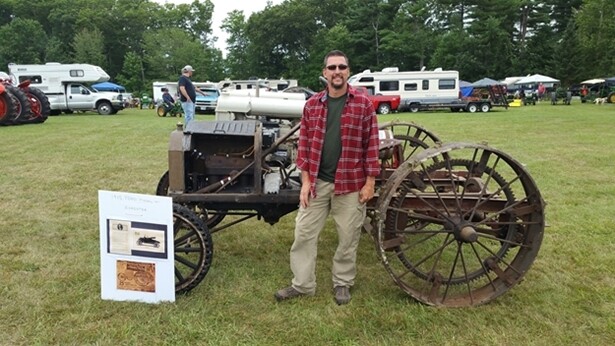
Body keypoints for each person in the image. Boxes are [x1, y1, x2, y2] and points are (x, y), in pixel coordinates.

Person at [274, 50, 380, 305]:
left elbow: (372, 145)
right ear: (325, 73)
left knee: (348, 236)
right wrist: (306, 181)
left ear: (348, 71)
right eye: (332, 67)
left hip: (352, 183)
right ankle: (302, 285)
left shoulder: (363, 105)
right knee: (304, 234)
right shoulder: (312, 106)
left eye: (342, 67)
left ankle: (342, 282)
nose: (337, 72)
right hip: (318, 184)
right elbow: (305, 146)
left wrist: (370, 182)